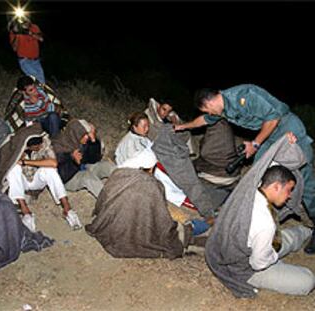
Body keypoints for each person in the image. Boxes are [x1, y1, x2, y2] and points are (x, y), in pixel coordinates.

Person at [175, 84, 315, 253]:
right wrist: (183, 127)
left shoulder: (245, 95)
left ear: (208, 104)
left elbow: (274, 118)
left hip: (287, 129)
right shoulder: (222, 109)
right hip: (269, 136)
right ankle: (255, 217)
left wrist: (255, 144)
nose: (209, 114)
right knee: (258, 174)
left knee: (305, 181)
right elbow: (204, 120)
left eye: (206, 111)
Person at [205, 133, 315, 297]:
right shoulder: (264, 223)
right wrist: (274, 256)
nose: (290, 196)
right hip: (246, 267)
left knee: (291, 237)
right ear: (276, 187)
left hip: (250, 246)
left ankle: (308, 232)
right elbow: (258, 263)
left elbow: (271, 163)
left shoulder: (251, 186)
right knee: (307, 280)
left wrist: (285, 144)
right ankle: (296, 242)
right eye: (289, 190)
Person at [86, 148, 184, 259]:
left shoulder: (118, 174)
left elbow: (102, 199)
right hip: (132, 230)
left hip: (107, 225)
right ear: (151, 168)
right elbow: (160, 217)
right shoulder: (151, 185)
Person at [0, 124, 82, 232]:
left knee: (50, 170)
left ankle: (67, 209)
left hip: (35, 178)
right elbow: (2, 166)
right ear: (28, 146)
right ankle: (26, 212)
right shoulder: (14, 146)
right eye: (36, 146)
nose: (40, 146)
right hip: (20, 181)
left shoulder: (44, 141)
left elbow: (53, 163)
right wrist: (17, 160)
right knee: (14, 169)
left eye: (40, 144)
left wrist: (25, 162)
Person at [52, 119, 116, 198]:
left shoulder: (82, 140)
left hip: (84, 167)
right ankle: (108, 200)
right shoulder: (58, 145)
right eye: (84, 134)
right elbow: (62, 176)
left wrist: (93, 141)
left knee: (109, 166)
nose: (87, 137)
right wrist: (72, 159)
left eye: (87, 134)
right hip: (69, 178)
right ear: (76, 134)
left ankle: (128, 183)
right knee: (87, 177)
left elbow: (94, 159)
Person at [9, 16, 45, 84]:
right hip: (24, 60)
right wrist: (17, 35)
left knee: (41, 80)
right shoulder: (14, 31)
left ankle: (30, 94)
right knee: (37, 79)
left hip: (36, 60)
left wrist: (30, 33)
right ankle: (41, 94)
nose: (25, 21)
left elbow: (41, 39)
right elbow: (14, 48)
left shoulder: (34, 27)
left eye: (26, 18)